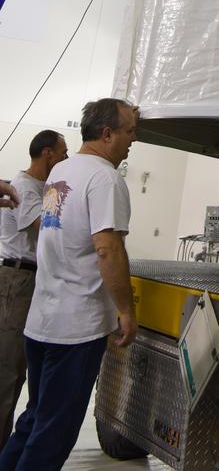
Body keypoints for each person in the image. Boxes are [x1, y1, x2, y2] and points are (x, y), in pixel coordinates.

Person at [0, 99, 138, 471]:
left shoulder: (61, 171)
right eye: (129, 132)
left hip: (42, 320)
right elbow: (108, 248)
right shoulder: (106, 178)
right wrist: (126, 309)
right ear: (107, 134)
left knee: (33, 419)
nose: (132, 141)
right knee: (53, 433)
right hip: (76, 329)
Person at [0, 131, 68, 447]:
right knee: (8, 371)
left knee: (18, 371)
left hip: (32, 281)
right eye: (64, 153)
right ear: (48, 154)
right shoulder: (25, 188)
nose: (68, 160)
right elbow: (47, 229)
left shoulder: (44, 188)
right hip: (16, 280)